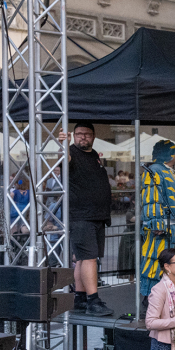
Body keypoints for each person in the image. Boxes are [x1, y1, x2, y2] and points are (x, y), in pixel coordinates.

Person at [62, 121, 114, 316]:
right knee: (89, 258)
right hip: (81, 216)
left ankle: (80, 298)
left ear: (93, 136)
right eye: (79, 134)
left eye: (87, 134)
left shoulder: (93, 155)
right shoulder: (71, 153)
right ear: (74, 136)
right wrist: (63, 144)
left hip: (96, 215)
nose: (83, 137)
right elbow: (63, 161)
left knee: (85, 259)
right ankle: (94, 300)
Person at [140, 140, 175, 303]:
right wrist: (156, 223)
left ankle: (167, 298)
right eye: (173, 151)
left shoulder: (167, 171)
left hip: (172, 227)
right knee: (156, 263)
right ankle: (151, 298)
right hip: (162, 228)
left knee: (170, 264)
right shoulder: (155, 171)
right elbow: (152, 199)